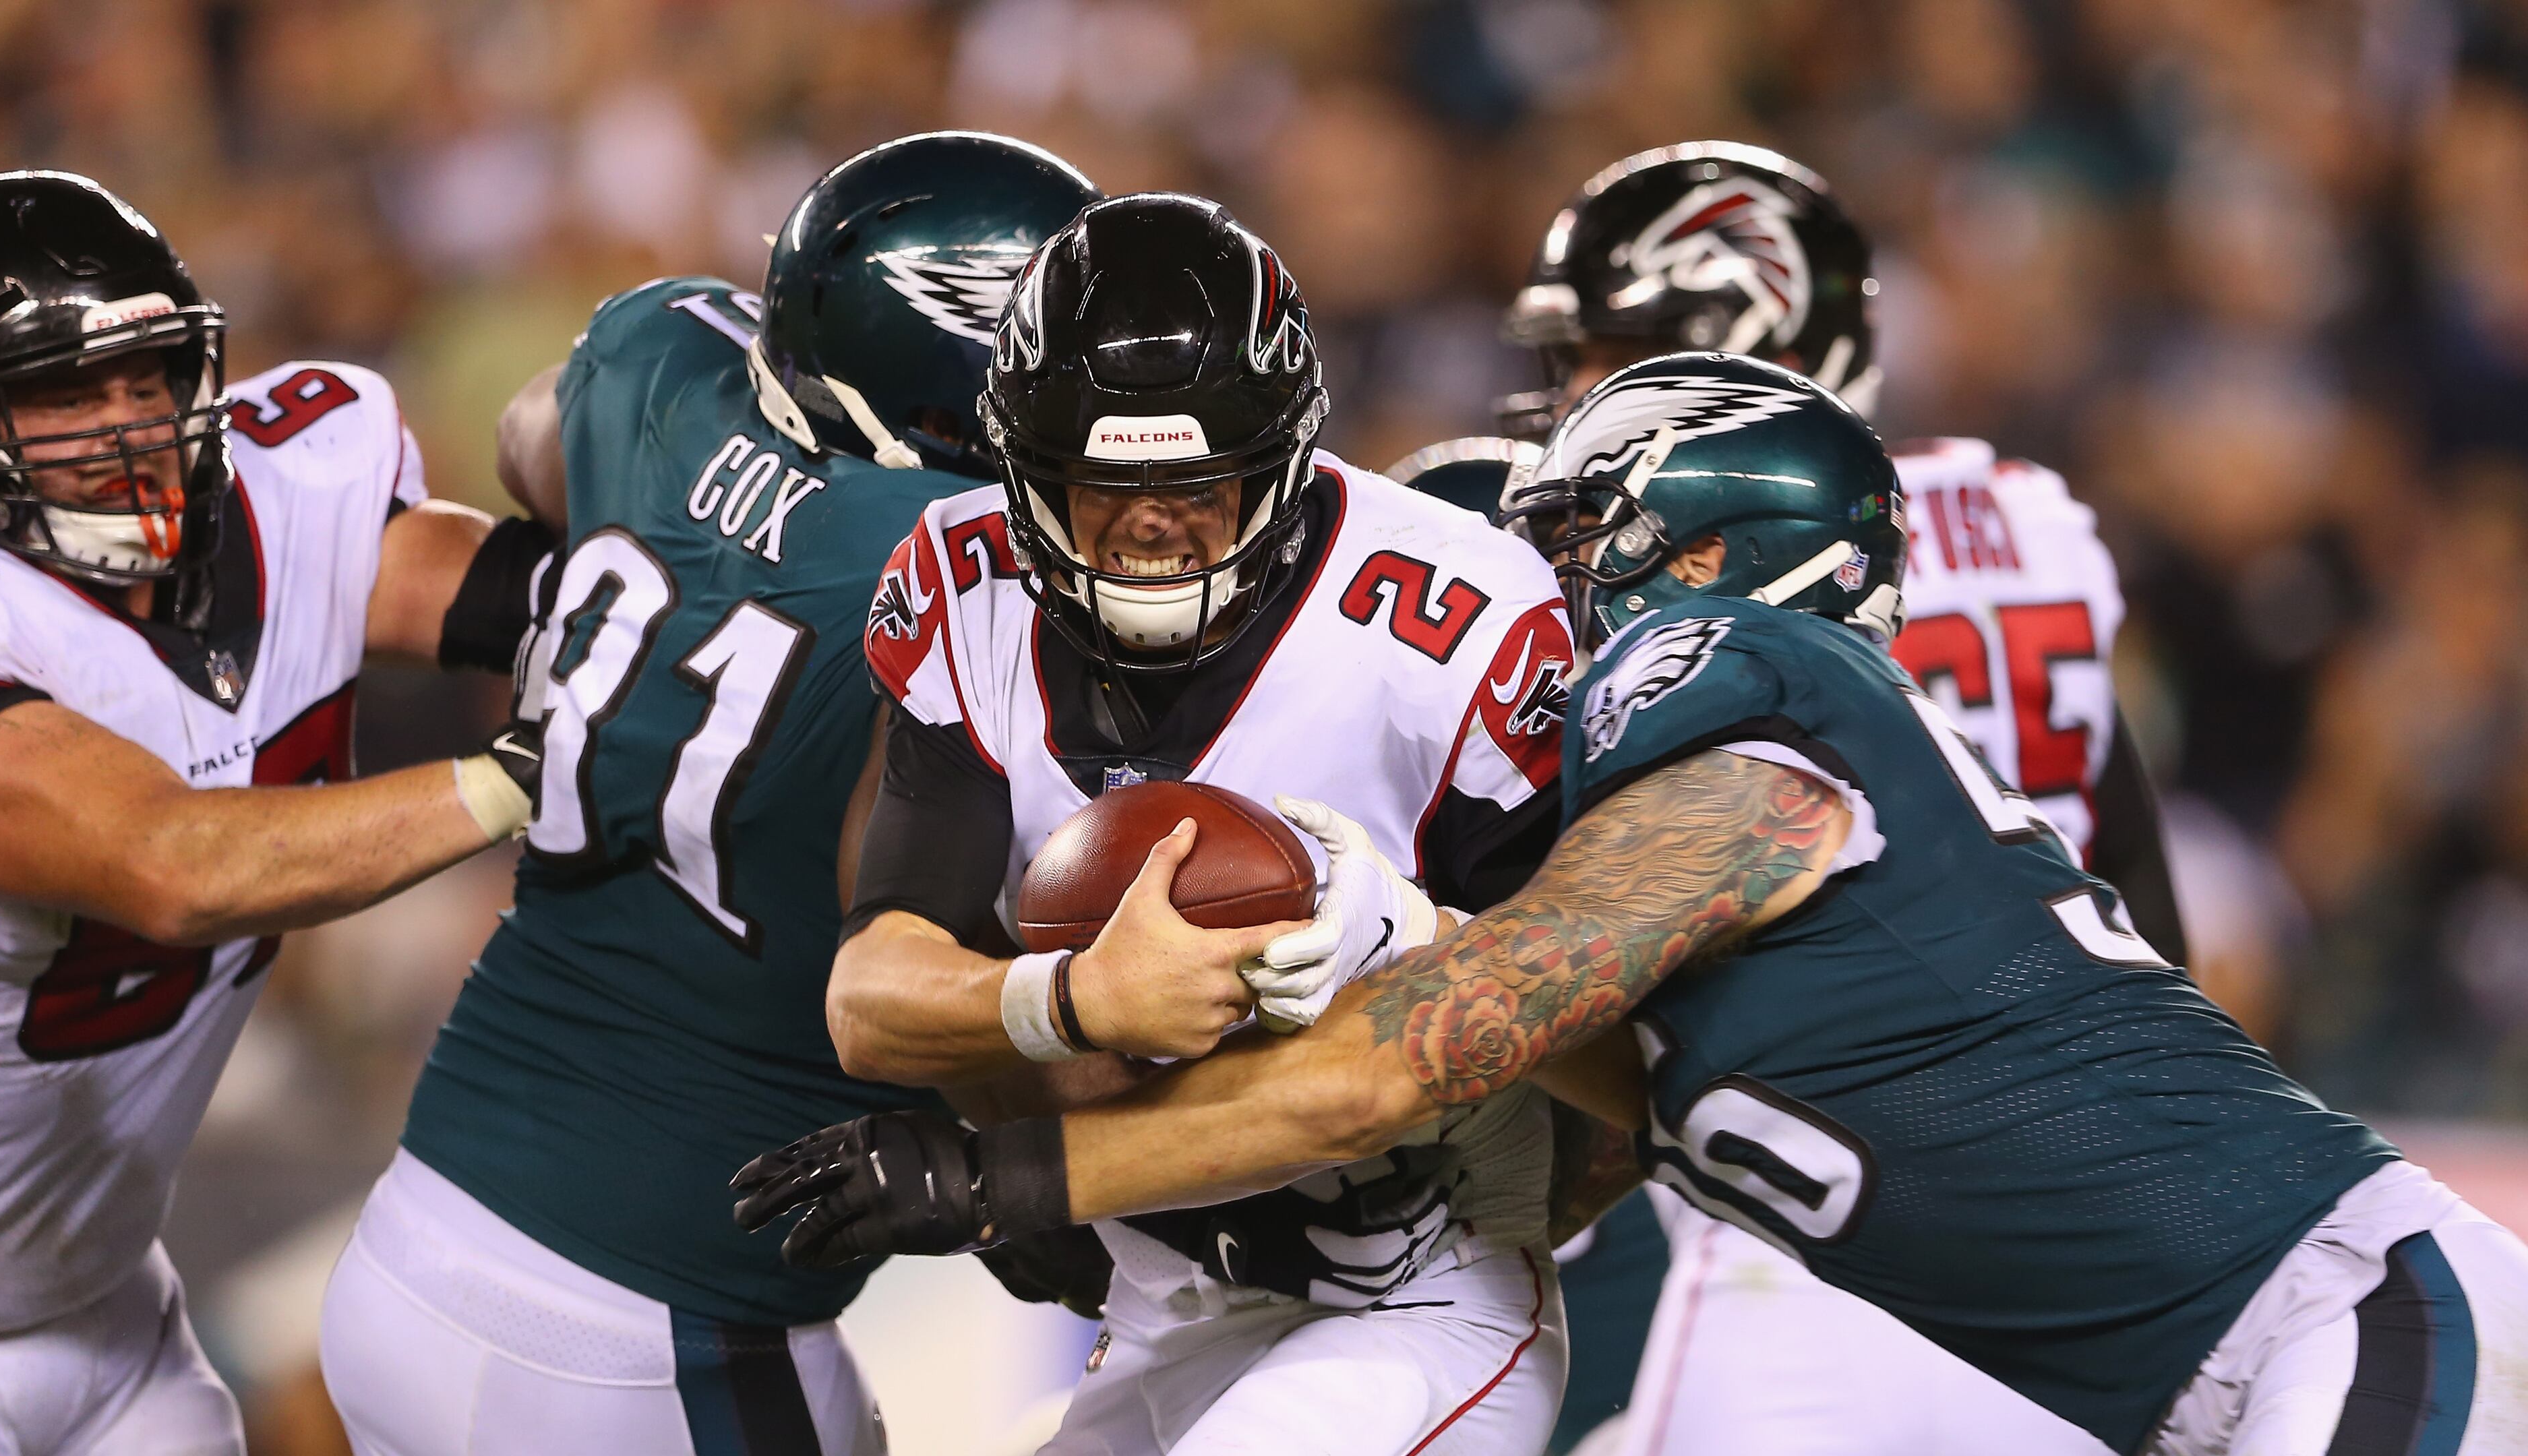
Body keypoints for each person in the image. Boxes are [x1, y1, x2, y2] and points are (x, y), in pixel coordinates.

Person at [740, 353, 2528, 1456]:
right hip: (2222, 1375)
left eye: (1575, 538)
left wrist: (1004, 1173)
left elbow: (1405, 1066)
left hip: (2342, 1312)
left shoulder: (1746, 700)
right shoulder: (1708, 860)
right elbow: (1569, 1081)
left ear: (1692, 559)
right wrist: (1396, 947)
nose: (1542, 587)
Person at [312, 132, 1100, 1456]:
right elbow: (921, 985)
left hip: (418, 1235)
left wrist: (702, 522)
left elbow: (529, 449)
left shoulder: (656, 359)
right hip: (648, 1337)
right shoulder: (957, 580)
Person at [1395, 139, 2179, 1454]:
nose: (1564, 398)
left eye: (1598, 353)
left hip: (1783, 1159)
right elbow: (2137, 891)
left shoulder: (1671, 567)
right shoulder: (2029, 516)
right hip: (2066, 1167)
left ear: (1733, 335)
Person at [797, 191, 1578, 1454]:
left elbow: (1610, 1041)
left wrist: (1413, 944)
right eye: (1105, 485)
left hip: (1415, 1285)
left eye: (1202, 484)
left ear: (1282, 461)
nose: (1155, 523)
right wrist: (1075, 1001)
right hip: (1170, 1300)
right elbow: (874, 1000)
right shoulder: (962, 579)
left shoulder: (1459, 625)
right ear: (1027, 469)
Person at [0, 170, 548, 1455]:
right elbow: (172, 863)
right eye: (63, 392)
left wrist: (657, 571)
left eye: (149, 375)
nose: (127, 425)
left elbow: (504, 595)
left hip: (110, 1310)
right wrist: (516, 776)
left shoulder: (275, 499)